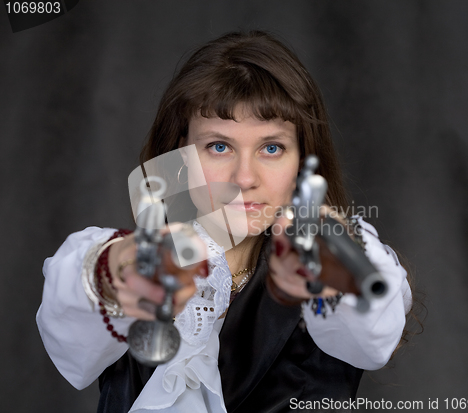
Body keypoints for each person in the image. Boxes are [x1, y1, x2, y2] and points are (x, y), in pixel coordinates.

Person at [36, 31, 413, 413]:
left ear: (302, 162)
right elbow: (72, 334)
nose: (244, 177)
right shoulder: (120, 263)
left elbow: (372, 338)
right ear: (180, 157)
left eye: (271, 148)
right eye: (219, 146)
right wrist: (124, 268)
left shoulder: (334, 272)